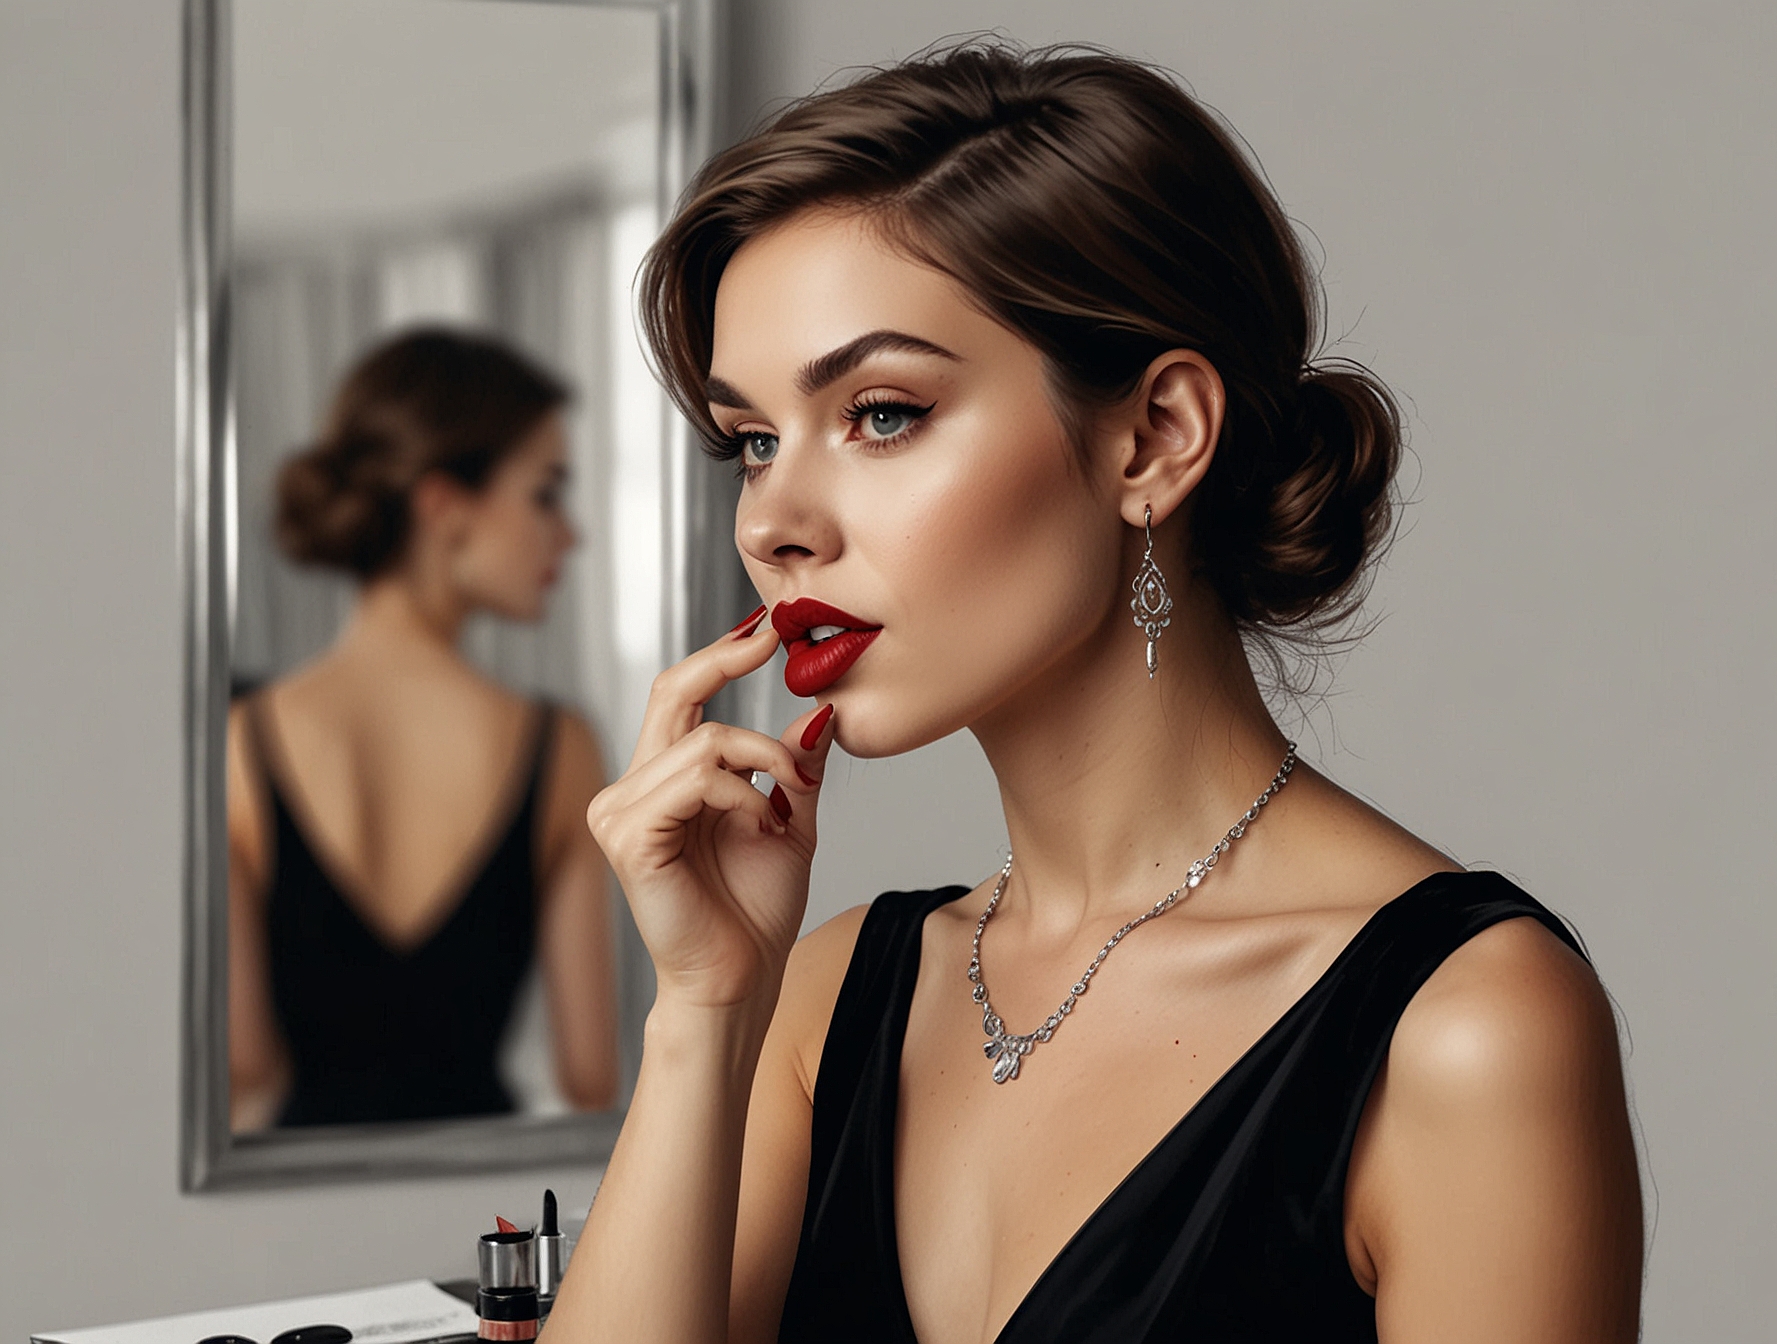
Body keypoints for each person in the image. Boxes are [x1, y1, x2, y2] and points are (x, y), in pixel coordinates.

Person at [548, 43, 1642, 1343]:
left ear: (1156, 438)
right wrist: (703, 1011)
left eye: (884, 413)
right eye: (754, 442)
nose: (774, 523)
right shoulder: (819, 997)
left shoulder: (1464, 1028)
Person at [226, 327, 618, 1129]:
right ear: (443, 506)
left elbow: (248, 1069)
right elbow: (590, 1078)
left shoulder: (240, 741)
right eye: (545, 492)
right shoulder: (562, 745)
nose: (568, 534)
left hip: (297, 1204)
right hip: (483, 1193)